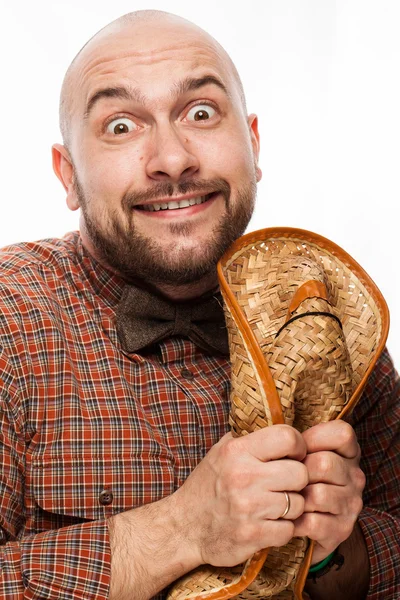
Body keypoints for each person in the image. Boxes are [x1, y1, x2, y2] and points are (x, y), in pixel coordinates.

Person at [0, 9, 398, 600]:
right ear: (69, 176)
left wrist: (326, 550)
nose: (173, 158)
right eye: (120, 126)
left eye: (201, 113)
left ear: (253, 142)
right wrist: (181, 529)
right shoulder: (8, 321)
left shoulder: (326, 315)